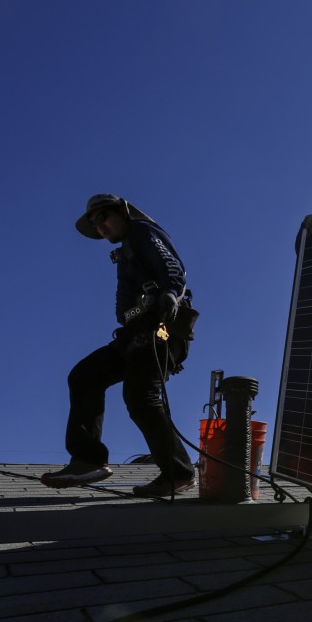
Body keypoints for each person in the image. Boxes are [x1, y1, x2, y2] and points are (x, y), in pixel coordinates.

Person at [40, 194, 199, 497]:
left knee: (141, 397)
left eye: (104, 217)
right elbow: (124, 306)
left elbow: (172, 267)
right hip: (133, 336)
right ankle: (88, 460)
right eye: (95, 224)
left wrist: (169, 294)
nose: (100, 226)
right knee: (84, 376)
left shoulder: (142, 231)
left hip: (161, 331)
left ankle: (178, 474)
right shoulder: (124, 252)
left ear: (123, 213)